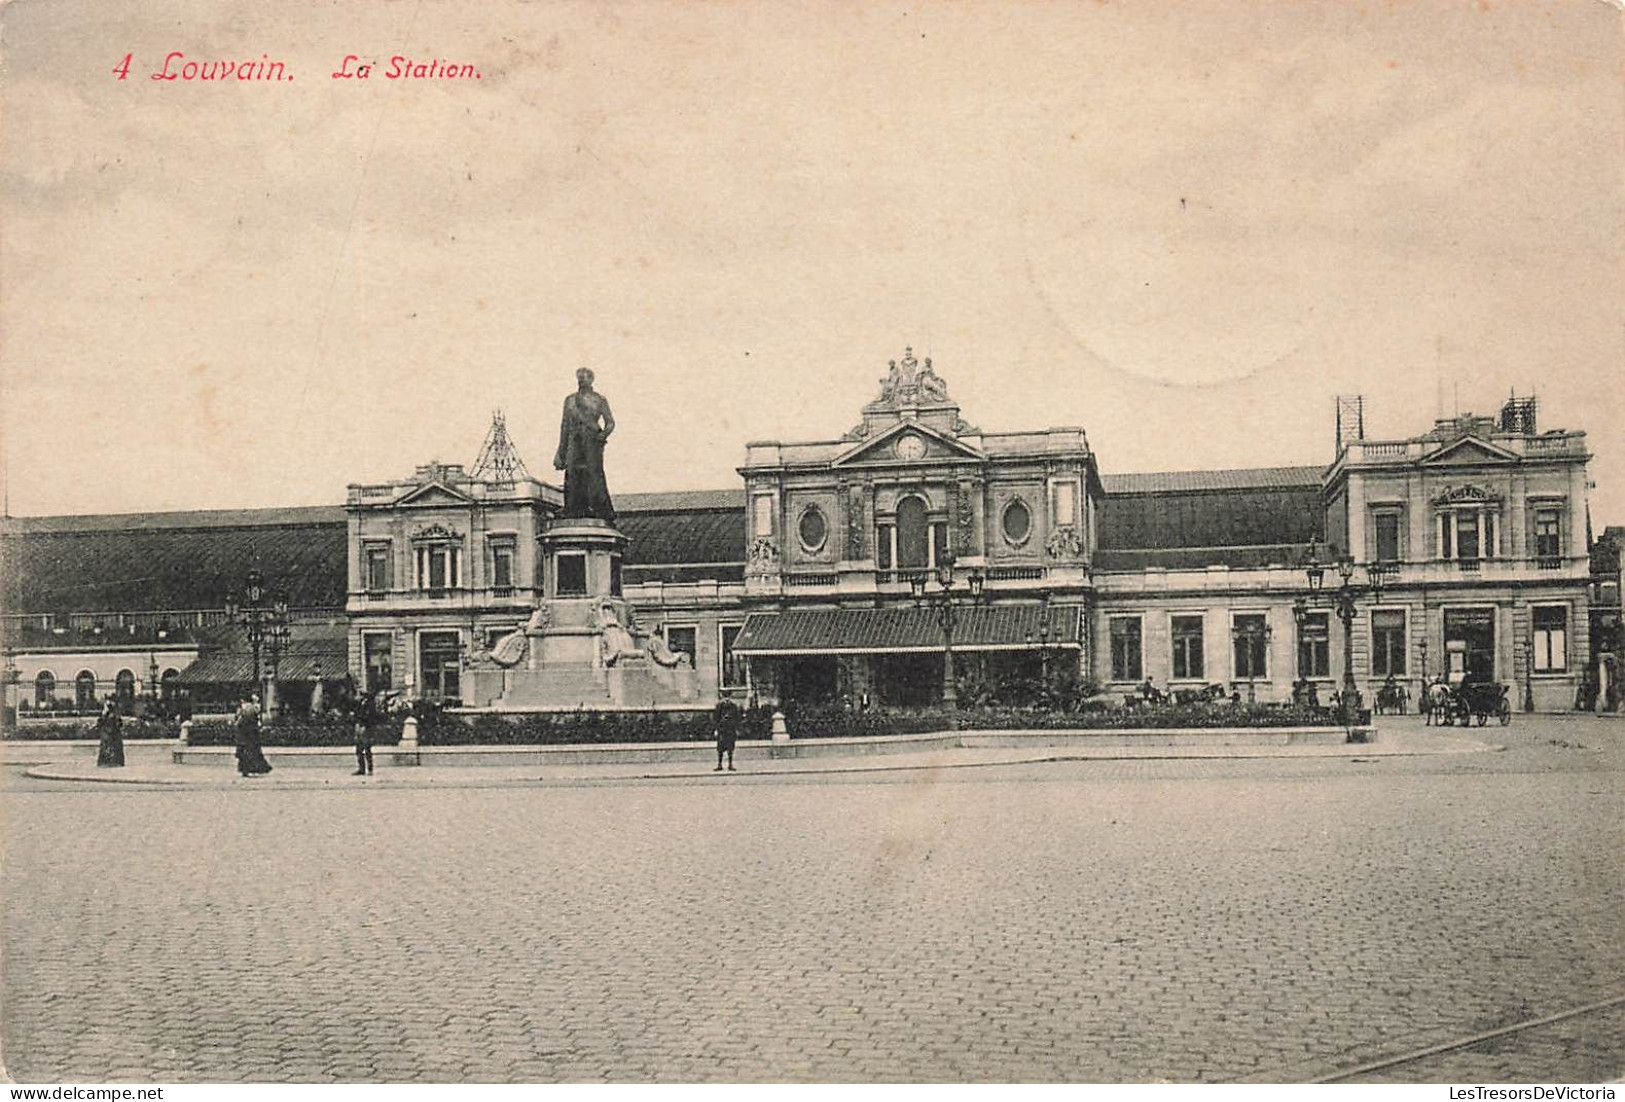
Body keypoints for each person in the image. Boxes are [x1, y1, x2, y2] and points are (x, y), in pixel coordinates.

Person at [553, 367, 616, 522]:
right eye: (579, 377)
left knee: (593, 473)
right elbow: (564, 426)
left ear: (591, 379)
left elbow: (610, 422)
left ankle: (598, 508)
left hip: (591, 440)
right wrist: (560, 452)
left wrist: (602, 435)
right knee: (572, 473)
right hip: (573, 440)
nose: (581, 380)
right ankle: (573, 508)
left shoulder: (599, 400)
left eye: (585, 377)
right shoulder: (570, 400)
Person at [234, 692, 273, 777]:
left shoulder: (246, 709)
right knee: (253, 752)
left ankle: (246, 769)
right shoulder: (252, 708)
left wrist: (237, 724)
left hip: (246, 734)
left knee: (246, 753)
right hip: (252, 734)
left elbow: (241, 721)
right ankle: (253, 768)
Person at [94, 696, 124, 768]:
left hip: (113, 733)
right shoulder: (105, 714)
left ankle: (114, 761)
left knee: (113, 746)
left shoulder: (114, 714)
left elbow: (119, 723)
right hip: (108, 733)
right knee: (107, 746)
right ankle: (108, 761)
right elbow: (100, 722)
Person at [352, 691, 377, 776]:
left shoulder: (370, 705)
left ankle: (370, 769)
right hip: (359, 726)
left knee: (367, 749)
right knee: (358, 749)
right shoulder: (360, 704)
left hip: (365, 727)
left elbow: (370, 717)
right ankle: (361, 769)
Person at [713, 697, 741, 772]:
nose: (727, 699)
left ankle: (730, 764)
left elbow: (737, 718)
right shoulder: (719, 706)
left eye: (728, 697)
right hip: (721, 730)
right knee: (720, 748)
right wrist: (716, 729)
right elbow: (716, 718)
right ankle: (719, 764)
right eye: (725, 697)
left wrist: (737, 729)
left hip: (730, 730)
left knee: (730, 748)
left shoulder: (733, 706)